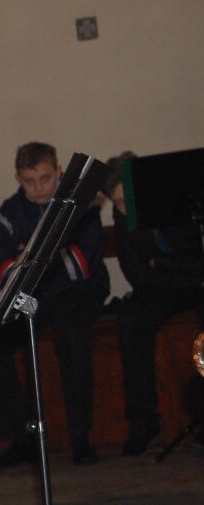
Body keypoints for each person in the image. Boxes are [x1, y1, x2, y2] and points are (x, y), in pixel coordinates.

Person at [0, 142, 109, 467]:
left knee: (72, 338)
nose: (38, 187)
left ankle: (80, 437)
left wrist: (44, 245)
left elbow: (82, 267)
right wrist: (23, 268)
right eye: (29, 180)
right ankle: (21, 438)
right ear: (18, 179)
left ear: (59, 172)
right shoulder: (10, 212)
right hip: (31, 299)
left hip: (78, 293)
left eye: (46, 178)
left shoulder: (83, 207)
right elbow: (2, 268)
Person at [105, 153, 204, 455]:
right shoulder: (122, 217)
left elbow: (196, 257)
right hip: (160, 288)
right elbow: (135, 273)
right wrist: (168, 271)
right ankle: (143, 421)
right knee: (131, 322)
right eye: (119, 203)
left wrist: (160, 264)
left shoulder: (176, 203)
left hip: (192, 282)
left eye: (130, 200)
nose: (127, 209)